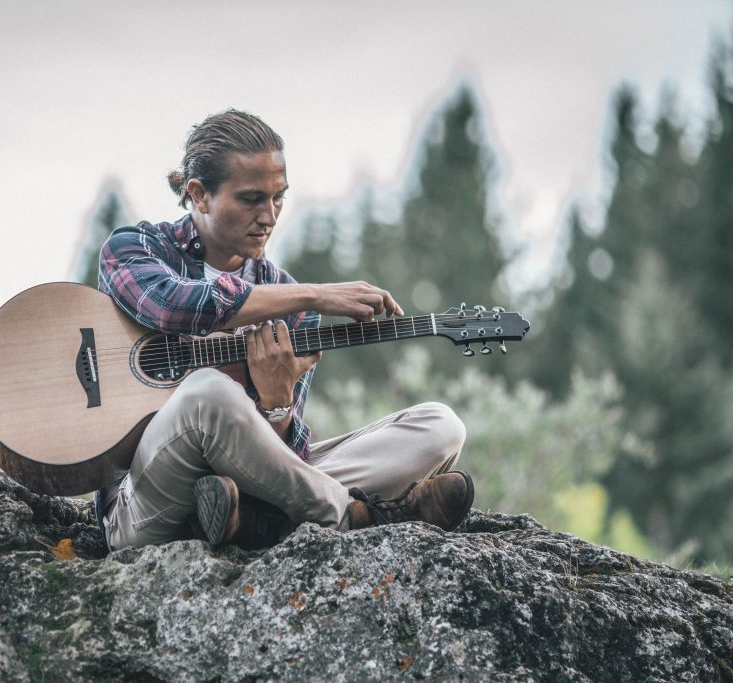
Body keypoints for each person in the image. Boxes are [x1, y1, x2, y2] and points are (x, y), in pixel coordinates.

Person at [95, 109, 473, 551]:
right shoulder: (137, 249)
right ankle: (354, 517)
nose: (269, 216)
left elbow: (282, 465)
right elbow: (173, 307)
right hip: (143, 501)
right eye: (252, 199)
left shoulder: (288, 302)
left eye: (278, 198)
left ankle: (252, 525)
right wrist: (314, 295)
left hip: (244, 495)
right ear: (199, 195)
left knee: (441, 427)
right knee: (207, 393)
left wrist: (277, 402)